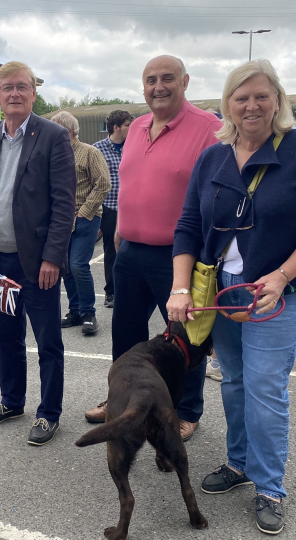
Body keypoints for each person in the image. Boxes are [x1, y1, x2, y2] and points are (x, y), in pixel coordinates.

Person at [167, 59, 296, 535]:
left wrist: (282, 276)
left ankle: (270, 486)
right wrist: (180, 287)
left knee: (265, 388)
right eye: (240, 97)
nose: (251, 105)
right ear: (227, 104)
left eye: (261, 96)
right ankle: (240, 462)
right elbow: (187, 227)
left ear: (278, 100)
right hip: (222, 291)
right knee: (233, 381)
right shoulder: (213, 156)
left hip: (273, 294)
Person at [84, 55, 221, 441]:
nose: (158, 86)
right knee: (125, 335)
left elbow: (213, 198)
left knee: (184, 341)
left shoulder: (208, 128)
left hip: (178, 256)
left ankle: (185, 411)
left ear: (185, 81)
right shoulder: (139, 125)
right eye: (150, 80)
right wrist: (122, 229)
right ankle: (121, 403)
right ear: (142, 86)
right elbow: (131, 182)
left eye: (167, 78)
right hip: (129, 250)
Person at [0, 60, 76, 446]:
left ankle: (49, 413)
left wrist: (53, 257)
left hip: (37, 263)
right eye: (7, 87)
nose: (15, 94)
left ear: (33, 93)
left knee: (48, 340)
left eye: (22, 87)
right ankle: (12, 401)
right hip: (1, 263)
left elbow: (65, 204)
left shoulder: (53, 137)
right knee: (7, 336)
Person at [51, 111, 110, 335]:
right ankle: (75, 311)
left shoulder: (89, 152)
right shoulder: (54, 154)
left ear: (67, 131)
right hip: (61, 219)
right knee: (65, 266)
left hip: (86, 217)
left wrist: (85, 212)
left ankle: (88, 313)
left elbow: (103, 183)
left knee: (78, 265)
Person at [93, 110, 133, 309]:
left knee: (133, 250)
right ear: (116, 127)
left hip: (132, 207)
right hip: (109, 207)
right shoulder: (97, 149)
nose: (131, 128)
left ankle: (132, 291)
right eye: (127, 125)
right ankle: (111, 292)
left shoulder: (134, 146)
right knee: (111, 251)